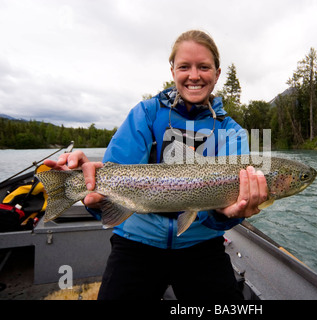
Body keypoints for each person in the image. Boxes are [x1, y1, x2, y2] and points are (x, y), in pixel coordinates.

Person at [44, 30, 268, 300]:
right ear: (172, 70)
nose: (194, 75)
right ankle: (62, 190)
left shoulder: (232, 132)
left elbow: (228, 205)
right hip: (136, 242)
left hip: (201, 244)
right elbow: (114, 174)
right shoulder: (146, 114)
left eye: (204, 67)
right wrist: (91, 193)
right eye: (184, 66)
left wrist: (225, 214)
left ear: (217, 74)